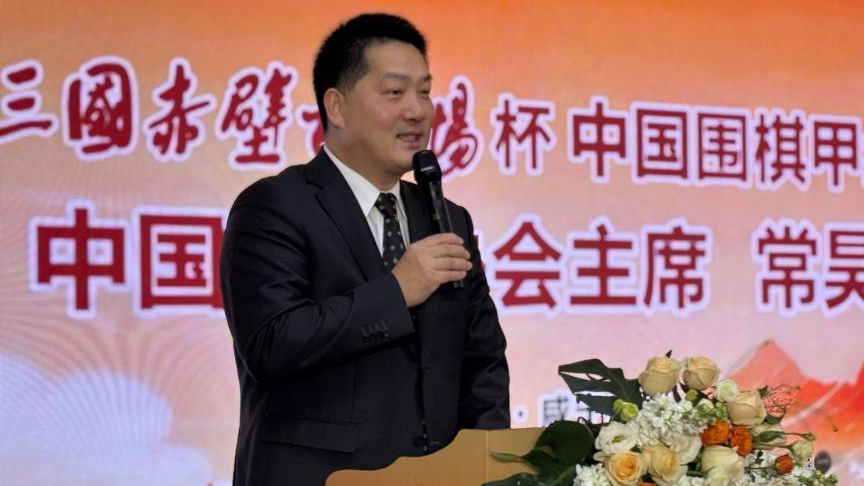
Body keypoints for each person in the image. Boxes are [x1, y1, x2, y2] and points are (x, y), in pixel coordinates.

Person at [220, 13, 510, 486]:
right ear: (337, 107)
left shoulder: (448, 218)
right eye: (395, 92)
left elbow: (484, 361)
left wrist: (487, 466)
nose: (417, 111)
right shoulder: (274, 206)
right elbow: (271, 345)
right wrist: (397, 291)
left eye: (424, 92)